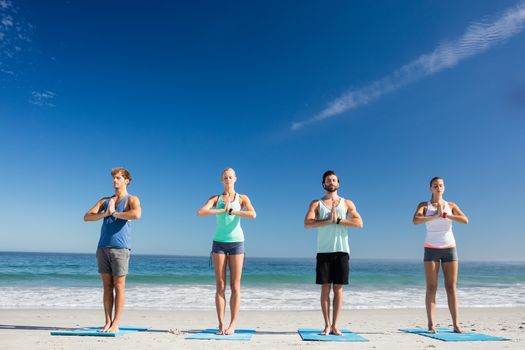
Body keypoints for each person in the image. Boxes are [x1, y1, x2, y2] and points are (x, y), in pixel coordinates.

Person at [197, 167, 256, 335]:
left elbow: (253, 214)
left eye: (230, 177)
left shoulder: (242, 198)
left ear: (235, 179)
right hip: (219, 243)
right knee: (220, 285)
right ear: (221, 180)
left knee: (235, 286)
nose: (228, 180)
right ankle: (221, 324)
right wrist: (222, 209)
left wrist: (234, 211)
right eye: (225, 177)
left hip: (237, 243)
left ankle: (233, 324)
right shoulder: (216, 198)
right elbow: (200, 212)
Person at [303, 170, 363, 336]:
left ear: (338, 183)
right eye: (328, 180)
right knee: (324, 288)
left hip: (342, 251)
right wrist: (327, 220)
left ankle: (335, 325)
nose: (331, 182)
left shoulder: (347, 203)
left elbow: (359, 223)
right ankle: (327, 325)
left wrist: (337, 220)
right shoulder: (316, 203)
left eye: (334, 180)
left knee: (338, 289)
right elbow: (307, 223)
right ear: (324, 184)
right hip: (324, 251)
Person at [83, 167, 142, 333]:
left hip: (120, 248)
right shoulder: (105, 200)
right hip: (103, 247)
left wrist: (115, 213)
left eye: (118, 178)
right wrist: (105, 214)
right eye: (114, 178)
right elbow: (87, 217)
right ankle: (107, 322)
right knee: (107, 286)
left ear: (126, 180)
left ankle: (116, 323)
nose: (115, 181)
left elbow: (136, 214)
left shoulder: (132, 199)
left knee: (119, 285)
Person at [412, 176, 468, 333]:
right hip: (431, 248)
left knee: (451, 287)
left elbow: (465, 220)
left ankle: (456, 324)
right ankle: (431, 324)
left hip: (449, 247)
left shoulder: (451, 205)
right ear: (430, 188)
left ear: (444, 188)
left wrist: (446, 215)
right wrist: (435, 215)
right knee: (431, 287)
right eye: (435, 185)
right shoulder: (424, 205)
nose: (438, 187)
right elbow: (415, 220)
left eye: (441, 185)